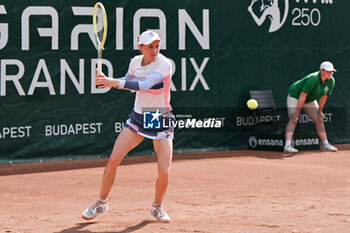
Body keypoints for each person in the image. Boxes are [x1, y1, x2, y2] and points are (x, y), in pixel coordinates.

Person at [81, 30, 174, 223]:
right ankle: (101, 202)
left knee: (164, 172)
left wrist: (112, 82)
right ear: (140, 47)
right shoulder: (134, 62)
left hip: (159, 117)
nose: (154, 50)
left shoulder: (165, 64)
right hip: (139, 115)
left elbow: (145, 84)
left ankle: (157, 206)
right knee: (114, 160)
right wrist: (109, 81)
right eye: (150, 46)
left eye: (157, 46)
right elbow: (128, 82)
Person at [284, 61, 338, 153]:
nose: (330, 73)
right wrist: (297, 111)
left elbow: (324, 96)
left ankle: (326, 144)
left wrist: (320, 111)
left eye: (331, 71)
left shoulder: (331, 81)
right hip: (296, 95)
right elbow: (303, 95)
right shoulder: (313, 79)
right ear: (322, 70)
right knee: (294, 118)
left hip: (309, 99)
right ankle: (287, 146)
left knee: (319, 119)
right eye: (328, 71)